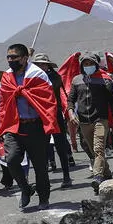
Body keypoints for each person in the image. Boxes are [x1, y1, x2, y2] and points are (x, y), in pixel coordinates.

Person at [0, 44, 59, 210]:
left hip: (36, 127)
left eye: (14, 57)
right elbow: (3, 104)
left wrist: (24, 92)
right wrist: (2, 126)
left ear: (25, 58)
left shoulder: (38, 75)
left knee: (40, 166)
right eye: (8, 57)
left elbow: (49, 100)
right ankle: (25, 188)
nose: (11, 61)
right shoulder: (7, 77)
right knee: (11, 160)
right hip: (15, 127)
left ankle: (44, 198)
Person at [68, 52, 113, 194]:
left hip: (100, 120)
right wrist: (71, 113)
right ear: (81, 66)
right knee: (94, 152)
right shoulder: (76, 80)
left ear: (96, 65)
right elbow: (70, 100)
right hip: (83, 122)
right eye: (85, 64)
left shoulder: (105, 80)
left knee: (98, 149)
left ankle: (98, 177)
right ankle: (107, 174)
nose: (88, 66)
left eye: (90, 63)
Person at [33, 53, 73, 188]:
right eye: (37, 64)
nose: (40, 66)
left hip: (54, 116)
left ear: (47, 66)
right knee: (41, 148)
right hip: (38, 117)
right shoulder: (31, 78)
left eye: (42, 64)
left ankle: (66, 176)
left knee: (60, 145)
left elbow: (49, 88)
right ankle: (44, 181)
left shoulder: (54, 77)